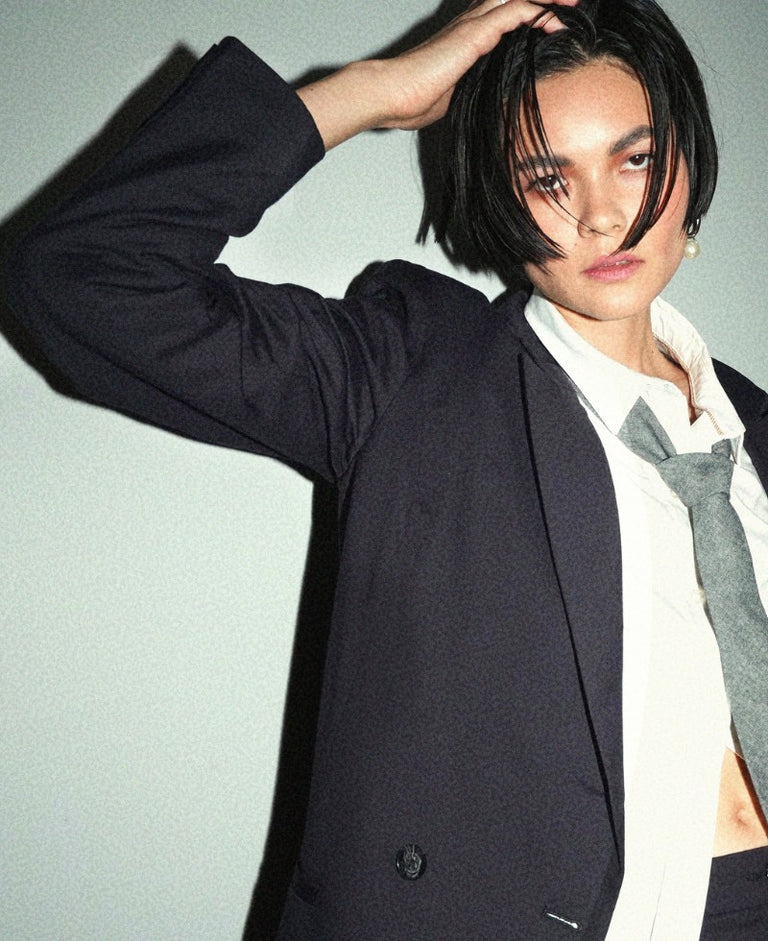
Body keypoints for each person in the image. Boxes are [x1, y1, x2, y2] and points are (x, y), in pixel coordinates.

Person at [6, 0, 768, 936]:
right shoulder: (413, 374)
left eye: (635, 157)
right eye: (548, 175)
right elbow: (79, 276)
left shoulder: (752, 430)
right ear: (500, 188)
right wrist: (364, 93)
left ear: (689, 156)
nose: (604, 214)